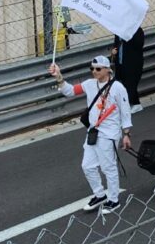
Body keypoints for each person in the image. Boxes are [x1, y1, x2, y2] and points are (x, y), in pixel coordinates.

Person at [49, 55, 132, 214]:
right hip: (93, 132)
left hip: (109, 134)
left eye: (98, 69)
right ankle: (99, 195)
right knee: (87, 166)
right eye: (92, 68)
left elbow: (125, 111)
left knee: (108, 168)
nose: (94, 71)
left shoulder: (118, 87)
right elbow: (70, 91)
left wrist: (126, 133)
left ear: (108, 69)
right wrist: (59, 77)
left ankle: (113, 200)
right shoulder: (89, 84)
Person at [111, 26, 145, 113]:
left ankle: (132, 104)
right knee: (124, 83)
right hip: (121, 61)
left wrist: (128, 35)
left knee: (131, 83)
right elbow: (116, 44)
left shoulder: (136, 30)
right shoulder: (118, 30)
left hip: (133, 62)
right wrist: (114, 51)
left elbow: (139, 44)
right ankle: (135, 103)